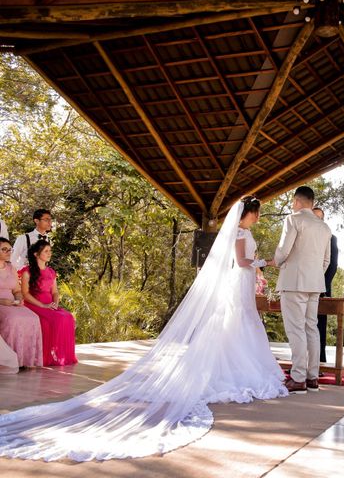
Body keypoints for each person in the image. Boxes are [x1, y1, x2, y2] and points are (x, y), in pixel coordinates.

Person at [0, 197, 288, 462]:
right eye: (257, 214)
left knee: (242, 324)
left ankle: (237, 365)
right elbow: (240, 263)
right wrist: (266, 262)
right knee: (238, 323)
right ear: (247, 213)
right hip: (238, 284)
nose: (258, 218)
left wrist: (259, 270)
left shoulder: (245, 234)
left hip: (243, 284)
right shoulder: (240, 234)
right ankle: (235, 370)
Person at [274, 186, 332, 394]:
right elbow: (326, 261)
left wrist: (277, 261)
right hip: (315, 283)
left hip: (293, 281)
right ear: (312, 201)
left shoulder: (293, 219)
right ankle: (312, 377)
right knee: (311, 328)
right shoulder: (325, 227)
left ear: (297, 201)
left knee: (295, 329)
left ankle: (298, 378)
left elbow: (283, 250)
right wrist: (315, 273)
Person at [19, 240, 77, 366]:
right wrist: (43, 306)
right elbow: (25, 294)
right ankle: (45, 357)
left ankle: (61, 356)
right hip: (34, 304)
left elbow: (55, 292)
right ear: (36, 254)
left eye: (50, 251)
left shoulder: (51, 272)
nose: (49, 253)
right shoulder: (26, 272)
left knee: (68, 317)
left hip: (50, 304)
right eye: (46, 251)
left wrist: (55, 303)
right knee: (54, 320)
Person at [0, 237, 43, 368]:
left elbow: (17, 290)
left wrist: (19, 299)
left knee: (33, 318)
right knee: (13, 319)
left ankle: (26, 360)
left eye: (10, 249)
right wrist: (2, 301)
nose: (8, 252)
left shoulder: (11, 267)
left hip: (12, 303)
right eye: (4, 249)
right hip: (1, 303)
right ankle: (11, 361)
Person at [312, 206, 338, 364]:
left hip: (322, 289)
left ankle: (320, 362)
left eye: (319, 218)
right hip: (303, 288)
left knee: (319, 326)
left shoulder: (331, 238)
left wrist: (321, 287)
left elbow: (332, 266)